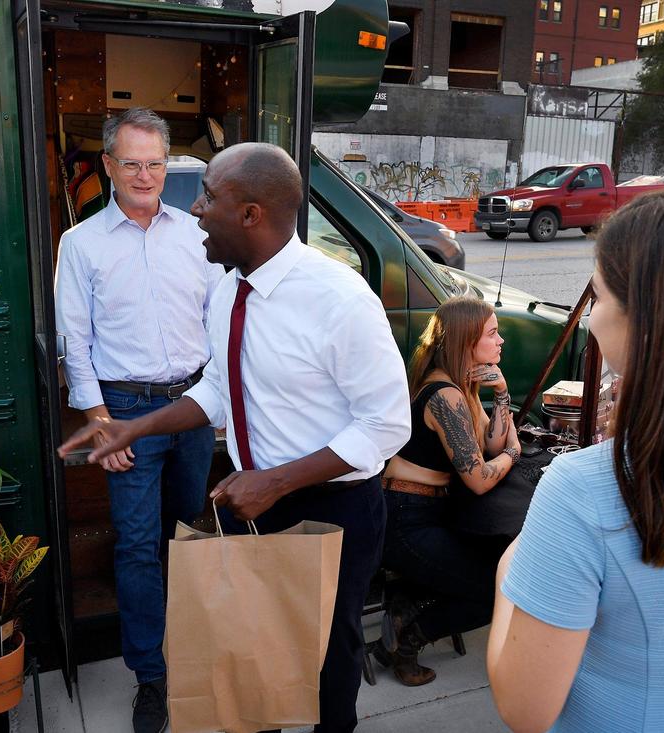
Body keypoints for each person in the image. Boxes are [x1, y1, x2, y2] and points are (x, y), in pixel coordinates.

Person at [59, 142, 412, 732]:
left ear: (251, 214)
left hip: (333, 508)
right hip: (256, 502)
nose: (195, 209)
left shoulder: (341, 299)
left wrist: (275, 481)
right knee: (255, 649)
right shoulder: (228, 289)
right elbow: (218, 389)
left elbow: (387, 423)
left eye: (208, 197)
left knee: (329, 654)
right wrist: (137, 426)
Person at [488, 187, 664, 732]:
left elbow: (524, 708)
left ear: (650, 323)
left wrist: (508, 570)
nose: (590, 320)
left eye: (600, 298)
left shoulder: (584, 491)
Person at [53, 107, 223, 733]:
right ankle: (151, 676)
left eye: (155, 163)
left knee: (187, 535)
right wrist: (100, 421)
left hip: (193, 406)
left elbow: (217, 319)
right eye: (132, 163)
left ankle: (192, 647)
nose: (145, 175)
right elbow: (74, 341)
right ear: (108, 165)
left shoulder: (197, 235)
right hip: (124, 409)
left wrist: (220, 402)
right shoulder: (81, 244)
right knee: (136, 545)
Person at [376, 296, 521, 686]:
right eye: (492, 333)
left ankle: (406, 607)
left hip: (428, 512)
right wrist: (511, 454)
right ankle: (408, 640)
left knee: (493, 564)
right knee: (495, 589)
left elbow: (491, 444)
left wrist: (501, 391)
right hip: (406, 519)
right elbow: (481, 476)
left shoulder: (461, 386)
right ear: (466, 341)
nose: (500, 340)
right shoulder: (444, 395)